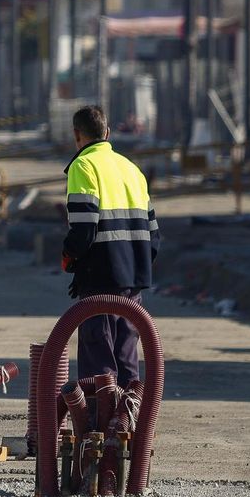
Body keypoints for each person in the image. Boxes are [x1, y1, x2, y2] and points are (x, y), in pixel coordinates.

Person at [61, 105, 160, 390]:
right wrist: (135, 264)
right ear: (107, 132)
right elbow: (154, 234)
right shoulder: (131, 169)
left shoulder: (84, 166)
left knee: (99, 357)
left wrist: (70, 256)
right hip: (133, 279)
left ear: (77, 134)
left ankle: (100, 415)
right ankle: (130, 413)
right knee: (126, 354)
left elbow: (84, 229)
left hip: (100, 277)